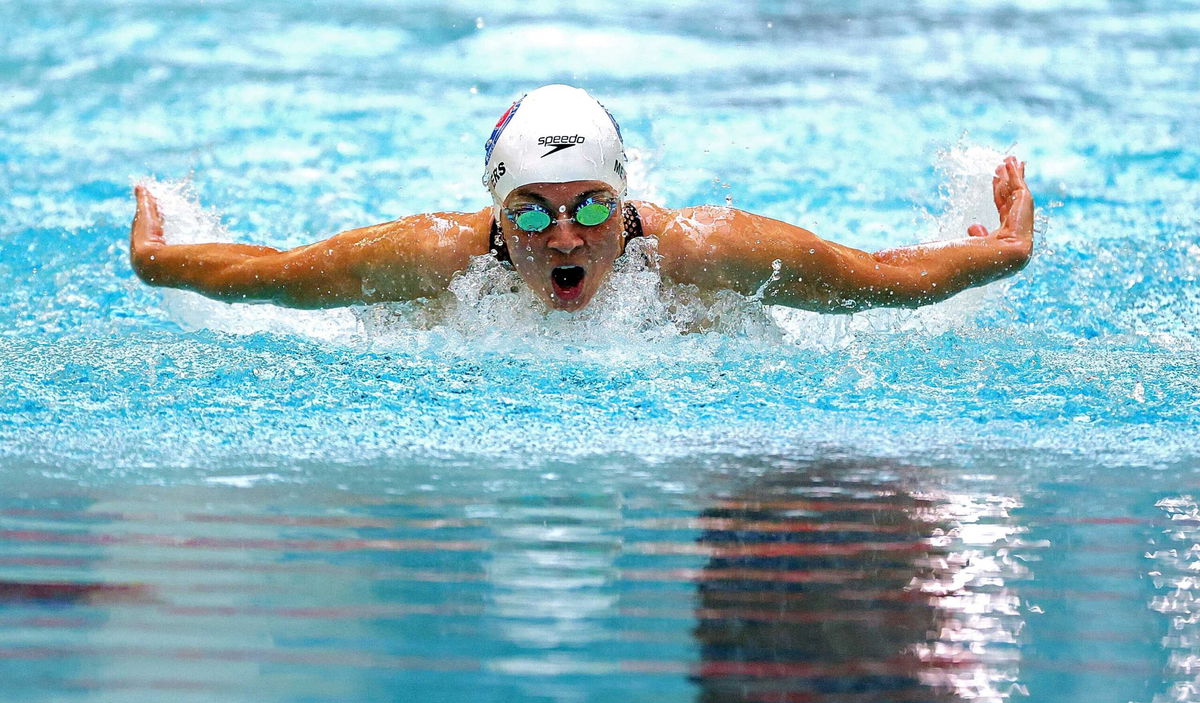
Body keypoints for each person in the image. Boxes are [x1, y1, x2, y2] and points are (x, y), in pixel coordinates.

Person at [129, 84, 1034, 314]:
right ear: (496, 211)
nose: (565, 234)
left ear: (624, 199)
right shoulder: (437, 254)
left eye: (591, 205)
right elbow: (276, 278)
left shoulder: (701, 250)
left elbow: (871, 278)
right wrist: (161, 262)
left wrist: (999, 253)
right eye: (531, 210)